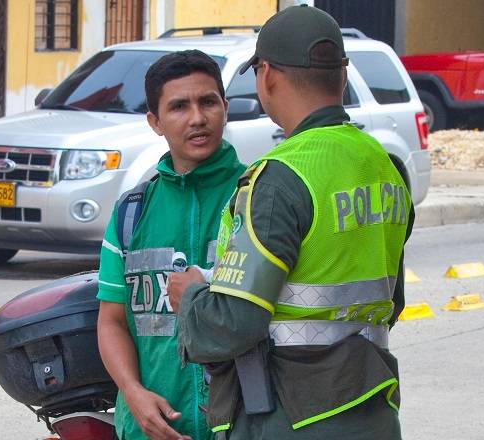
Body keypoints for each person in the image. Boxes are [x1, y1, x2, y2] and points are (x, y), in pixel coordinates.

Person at [168, 6, 414, 439]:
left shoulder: (281, 177)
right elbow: (388, 302)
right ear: (343, 73)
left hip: (290, 418)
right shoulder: (385, 167)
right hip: (371, 409)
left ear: (267, 75)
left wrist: (191, 297)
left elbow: (234, 325)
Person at [96, 49, 247, 440]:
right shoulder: (132, 212)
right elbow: (111, 321)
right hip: (152, 428)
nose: (197, 118)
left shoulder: (259, 197)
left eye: (208, 102)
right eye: (179, 106)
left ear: (225, 108)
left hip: (243, 426)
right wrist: (133, 394)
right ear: (155, 122)